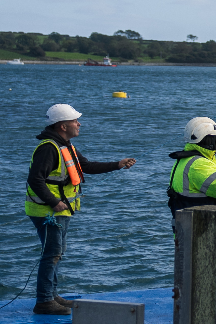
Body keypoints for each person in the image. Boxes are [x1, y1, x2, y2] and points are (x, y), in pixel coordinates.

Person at [25, 103, 136, 316]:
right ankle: (44, 301)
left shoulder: (65, 145)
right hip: (48, 212)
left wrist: (117, 164)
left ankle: (51, 294)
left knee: (56, 253)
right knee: (52, 254)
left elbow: (86, 166)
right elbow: (35, 180)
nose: (79, 124)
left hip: (59, 211)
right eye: (75, 121)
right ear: (62, 126)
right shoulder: (49, 148)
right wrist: (54, 202)